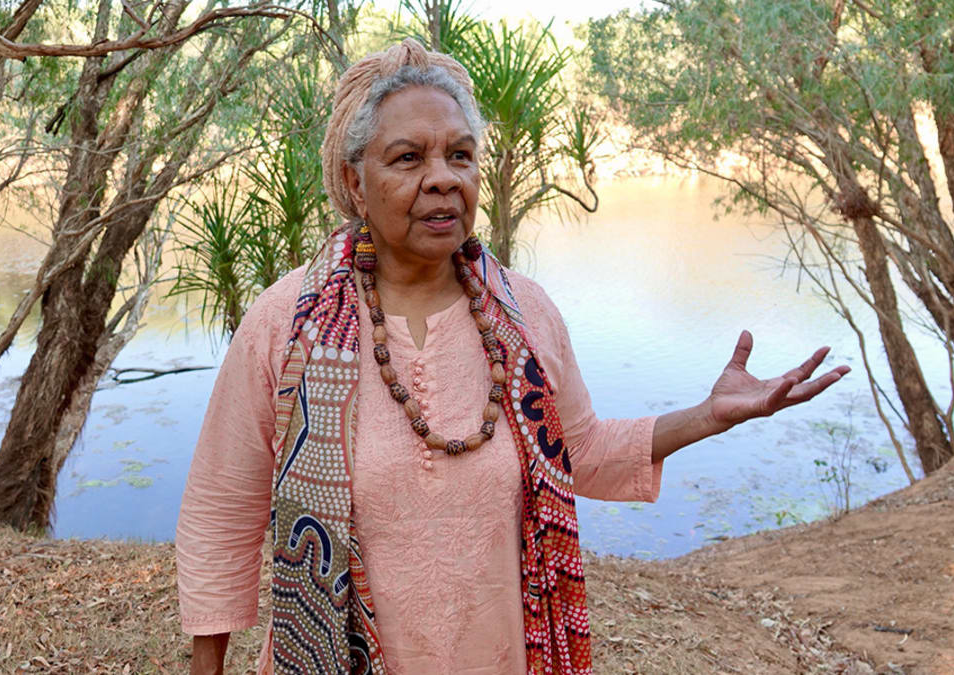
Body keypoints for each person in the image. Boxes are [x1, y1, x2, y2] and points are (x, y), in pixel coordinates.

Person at [175, 39, 850, 675]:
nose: (443, 179)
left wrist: (709, 415)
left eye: (460, 156)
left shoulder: (523, 316)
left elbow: (578, 450)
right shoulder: (285, 324)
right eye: (409, 159)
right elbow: (220, 510)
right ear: (356, 181)